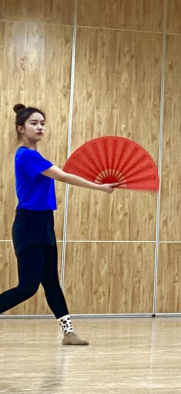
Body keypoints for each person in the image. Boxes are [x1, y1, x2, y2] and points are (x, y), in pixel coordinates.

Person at [0, 104, 116, 345]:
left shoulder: (37, 156)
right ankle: (68, 332)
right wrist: (99, 187)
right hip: (29, 224)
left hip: (44, 222)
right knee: (28, 287)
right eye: (34, 123)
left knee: (51, 281)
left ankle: (68, 333)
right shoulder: (26, 155)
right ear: (21, 128)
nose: (40, 127)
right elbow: (62, 176)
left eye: (42, 123)